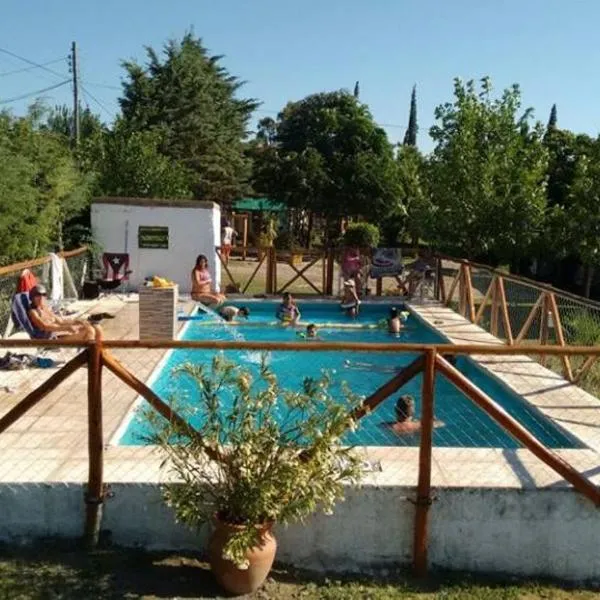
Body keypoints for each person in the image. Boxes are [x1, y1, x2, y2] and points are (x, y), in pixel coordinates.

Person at [27, 285, 100, 342]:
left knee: (95, 328)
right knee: (89, 331)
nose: (41, 298)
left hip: (57, 335)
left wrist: (78, 321)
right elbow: (45, 327)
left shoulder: (45, 309)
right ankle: (93, 356)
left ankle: (97, 353)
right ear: (32, 298)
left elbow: (61, 321)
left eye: (43, 295)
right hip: (49, 341)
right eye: (38, 295)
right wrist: (67, 328)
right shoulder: (33, 312)